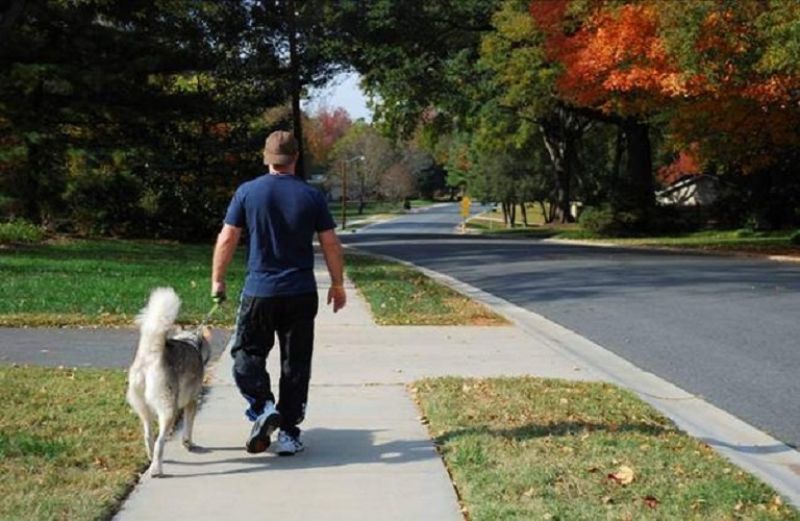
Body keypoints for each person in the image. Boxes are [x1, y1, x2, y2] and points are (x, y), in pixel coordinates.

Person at [211, 130, 346, 456]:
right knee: (295, 364)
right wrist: (337, 283)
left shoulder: (247, 192)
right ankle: (288, 433)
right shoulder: (312, 196)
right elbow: (330, 242)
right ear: (295, 158)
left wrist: (218, 279)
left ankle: (263, 406)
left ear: (266, 158)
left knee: (246, 354)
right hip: (301, 292)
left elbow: (228, 237)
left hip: (261, 291)